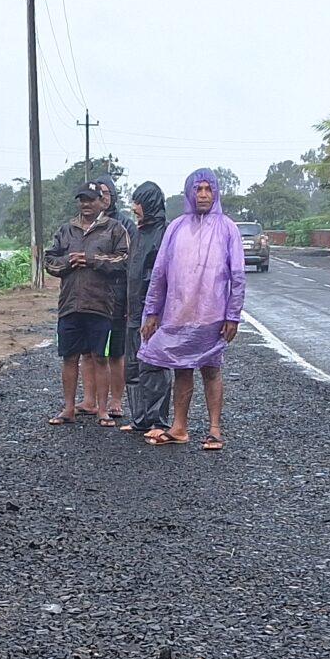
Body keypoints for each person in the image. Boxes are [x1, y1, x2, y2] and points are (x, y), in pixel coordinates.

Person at [137, 169, 244, 450]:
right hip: (178, 313)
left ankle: (215, 430)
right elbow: (160, 272)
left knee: (211, 369)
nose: (204, 194)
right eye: (198, 189)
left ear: (216, 192)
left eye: (209, 189)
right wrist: (152, 313)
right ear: (189, 193)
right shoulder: (176, 228)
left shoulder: (227, 228)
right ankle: (179, 427)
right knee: (181, 369)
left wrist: (233, 315)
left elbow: (238, 275)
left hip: (213, 315)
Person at [41, 183, 131, 425]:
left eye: (91, 200)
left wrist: (92, 260)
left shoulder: (114, 229)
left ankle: (102, 410)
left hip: (101, 305)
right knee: (69, 357)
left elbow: (123, 260)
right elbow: (49, 261)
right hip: (70, 305)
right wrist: (69, 262)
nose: (86, 204)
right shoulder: (66, 230)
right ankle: (68, 408)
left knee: (100, 357)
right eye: (82, 200)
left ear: (102, 201)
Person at [119, 181, 172, 434]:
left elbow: (161, 277)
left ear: (149, 203)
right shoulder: (139, 233)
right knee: (133, 366)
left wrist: (156, 312)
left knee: (155, 366)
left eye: (138, 202)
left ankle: (158, 421)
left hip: (153, 313)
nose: (134, 207)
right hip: (133, 310)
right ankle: (140, 419)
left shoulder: (164, 233)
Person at [90, 177, 128, 422]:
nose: (102, 197)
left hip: (117, 294)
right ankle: (88, 399)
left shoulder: (123, 225)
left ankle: (116, 399)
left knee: (115, 351)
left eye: (106, 192)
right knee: (90, 352)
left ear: (113, 195)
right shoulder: (86, 224)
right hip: (90, 297)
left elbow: (128, 261)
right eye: (98, 193)